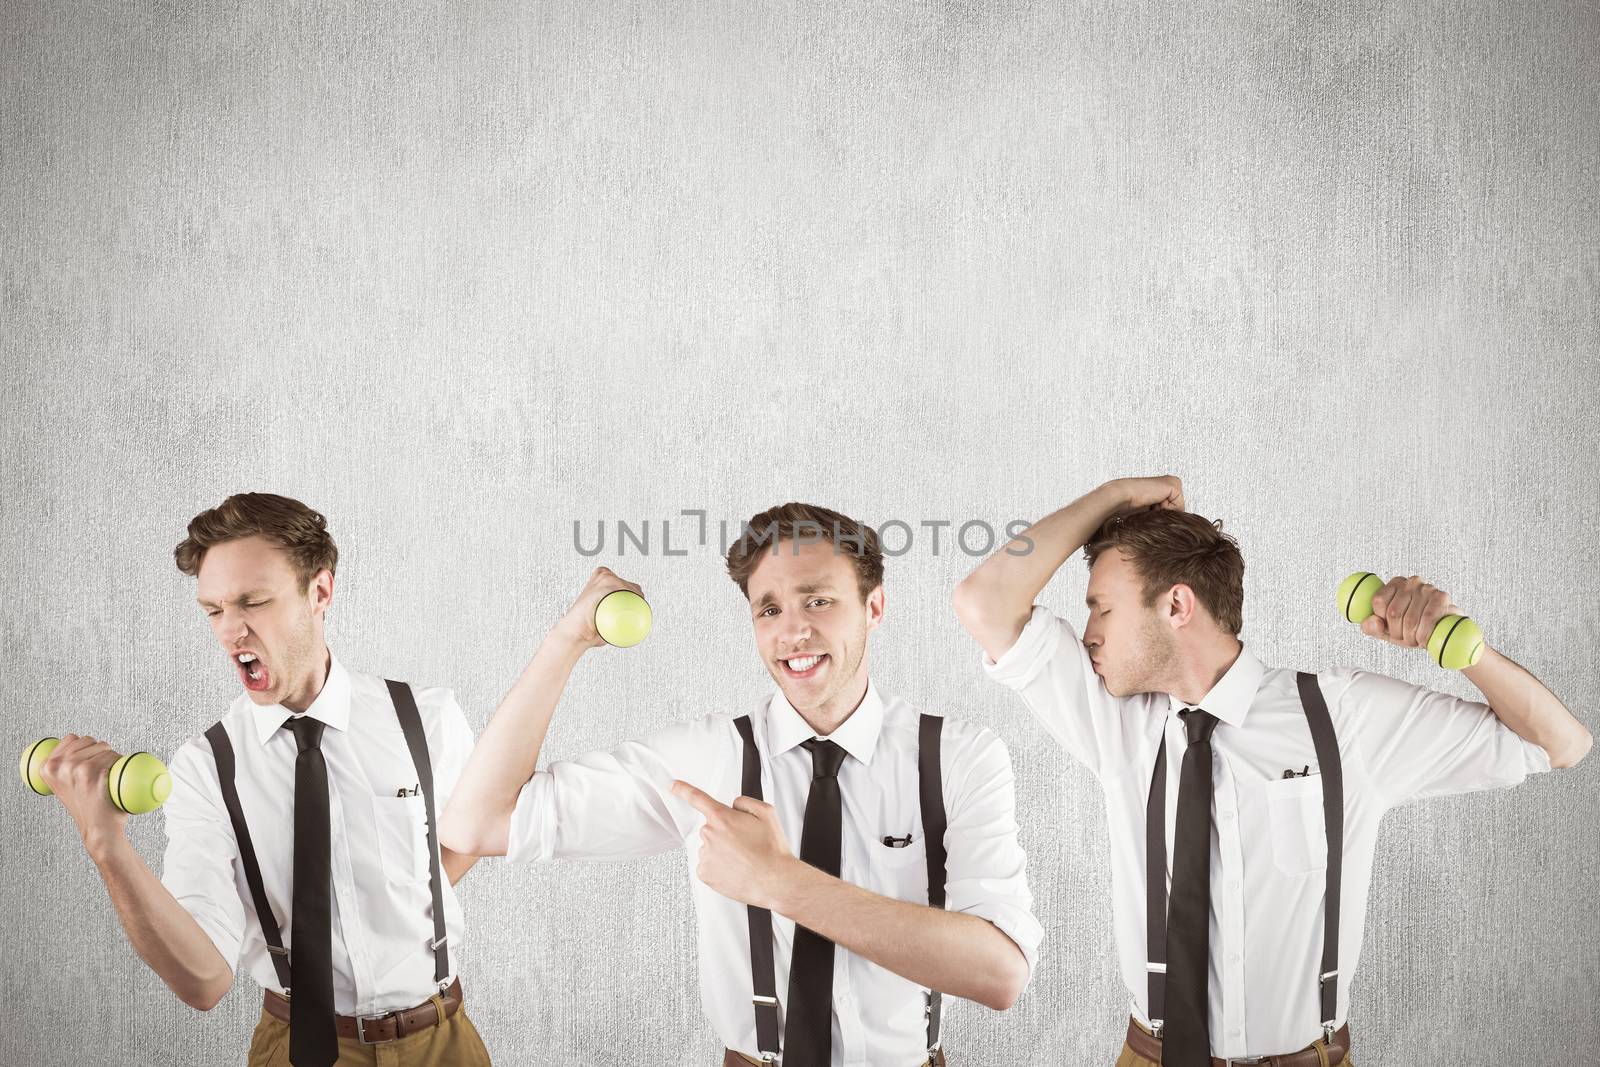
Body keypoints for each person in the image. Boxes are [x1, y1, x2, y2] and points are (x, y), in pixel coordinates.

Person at [953, 475, 1590, 1067]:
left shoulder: (1341, 718)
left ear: (1177, 604)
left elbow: (1559, 744)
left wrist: (1451, 645)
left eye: (1102, 608)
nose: (1086, 633)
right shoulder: (1113, 721)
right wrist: (1114, 495)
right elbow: (983, 600)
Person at [441, 502, 1042, 1066]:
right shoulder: (709, 756)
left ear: (875, 607)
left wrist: (780, 882)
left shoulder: (958, 757)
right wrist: (565, 642)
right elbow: (482, 822)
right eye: (770, 609)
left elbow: (1000, 975)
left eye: (819, 602)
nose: (793, 631)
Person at [39, 492, 493, 1066]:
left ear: (320, 592)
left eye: (253, 602)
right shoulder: (206, 768)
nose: (231, 632)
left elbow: (465, 838)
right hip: (301, 1048)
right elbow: (204, 981)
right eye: (214, 610)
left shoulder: (425, 719)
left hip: (445, 1042)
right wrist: (106, 845)